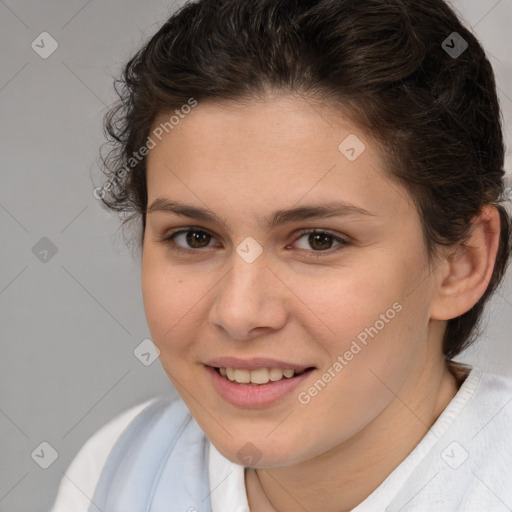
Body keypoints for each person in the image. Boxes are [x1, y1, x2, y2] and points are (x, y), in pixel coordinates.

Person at [50, 0, 512, 510]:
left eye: (319, 240)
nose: (239, 313)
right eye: (195, 238)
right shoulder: (117, 470)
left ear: (460, 263)